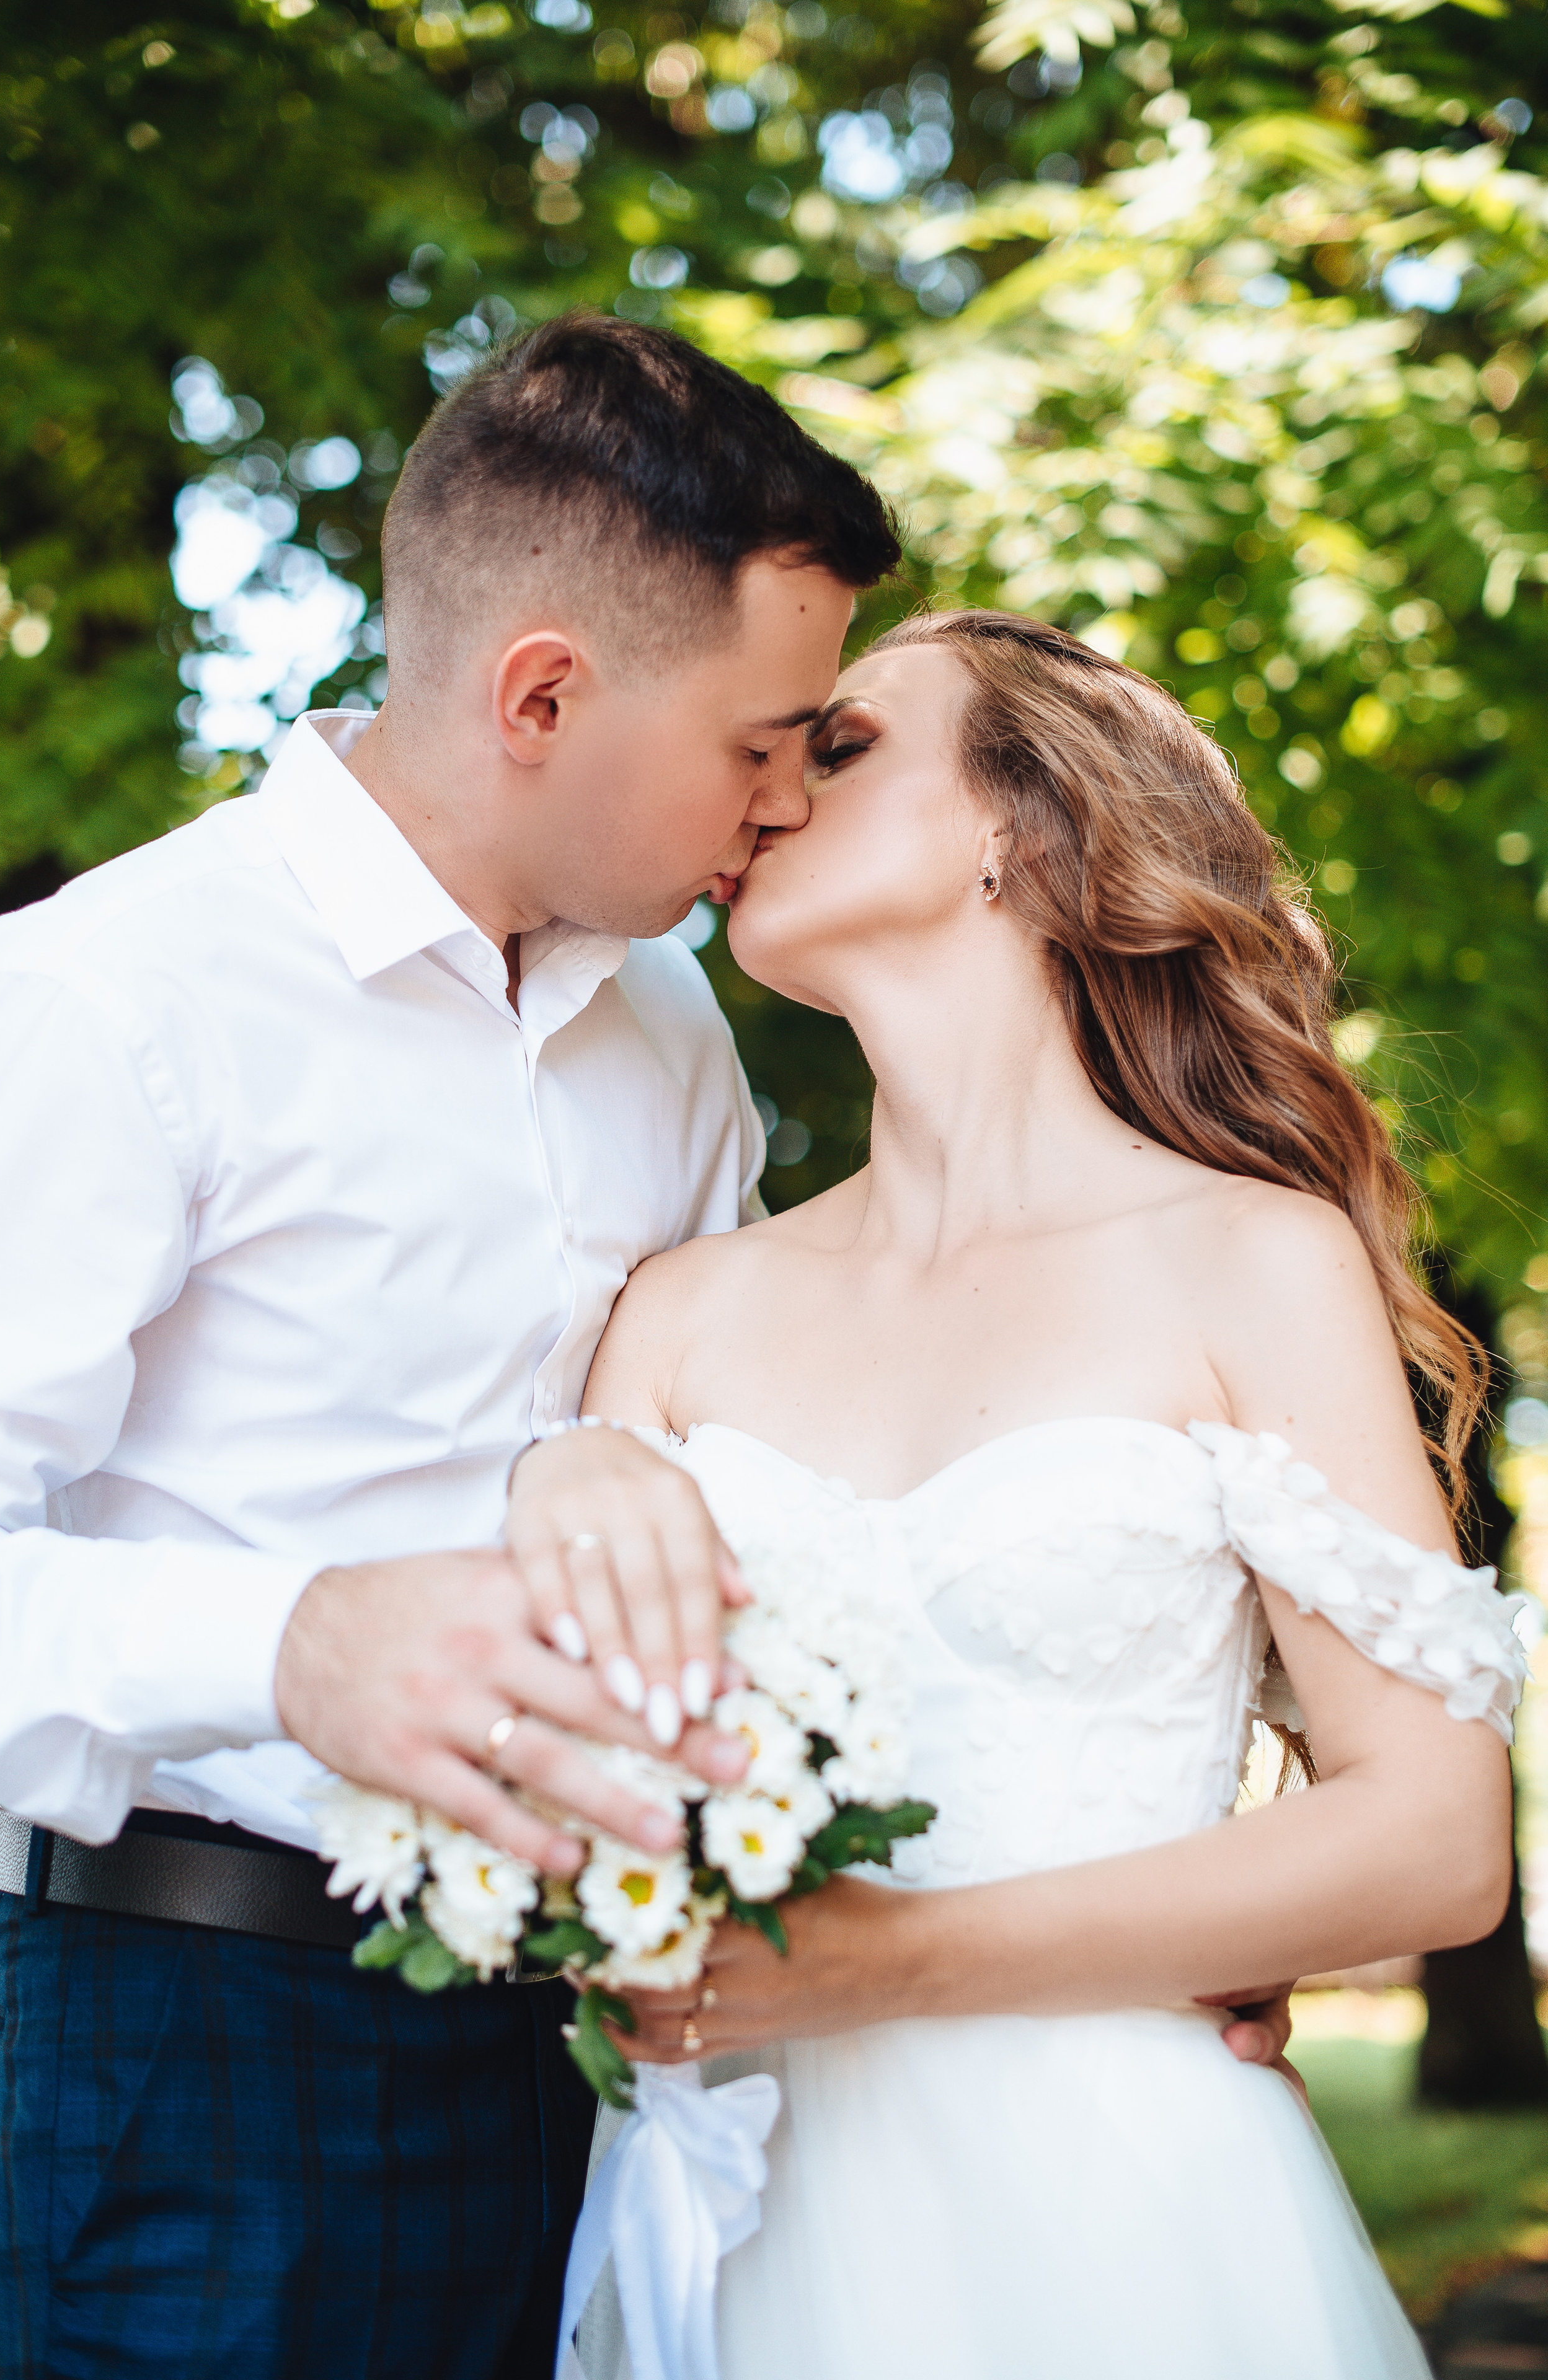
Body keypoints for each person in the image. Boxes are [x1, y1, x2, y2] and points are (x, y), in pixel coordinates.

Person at [0, 316, 900, 2379]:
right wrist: (284, 1644)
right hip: (185, 2037)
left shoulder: (674, 1041)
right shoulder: (99, 1002)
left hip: (595, 2040)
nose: (777, 807)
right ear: (542, 691)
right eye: (760, 744)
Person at [561, 610, 1525, 2378]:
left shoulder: (1252, 1262)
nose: (766, 788)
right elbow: (569, 1772)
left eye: (840, 747)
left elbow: (1439, 1835)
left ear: (1029, 827)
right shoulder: (681, 1309)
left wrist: (892, 1961)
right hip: (740, 2218)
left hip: (1126, 2228)